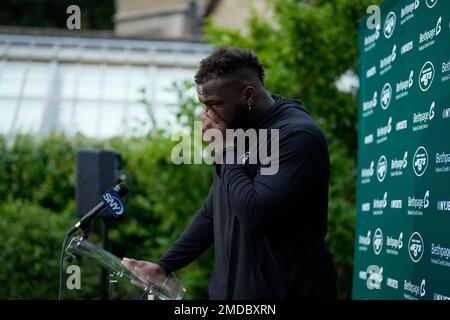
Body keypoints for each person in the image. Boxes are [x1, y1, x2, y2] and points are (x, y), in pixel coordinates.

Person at [122, 45, 337, 300]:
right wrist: (164, 266)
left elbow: (255, 214)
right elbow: (214, 210)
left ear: (247, 95)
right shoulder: (239, 131)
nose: (207, 116)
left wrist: (225, 150)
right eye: (203, 105)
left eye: (214, 104)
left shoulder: (296, 135)